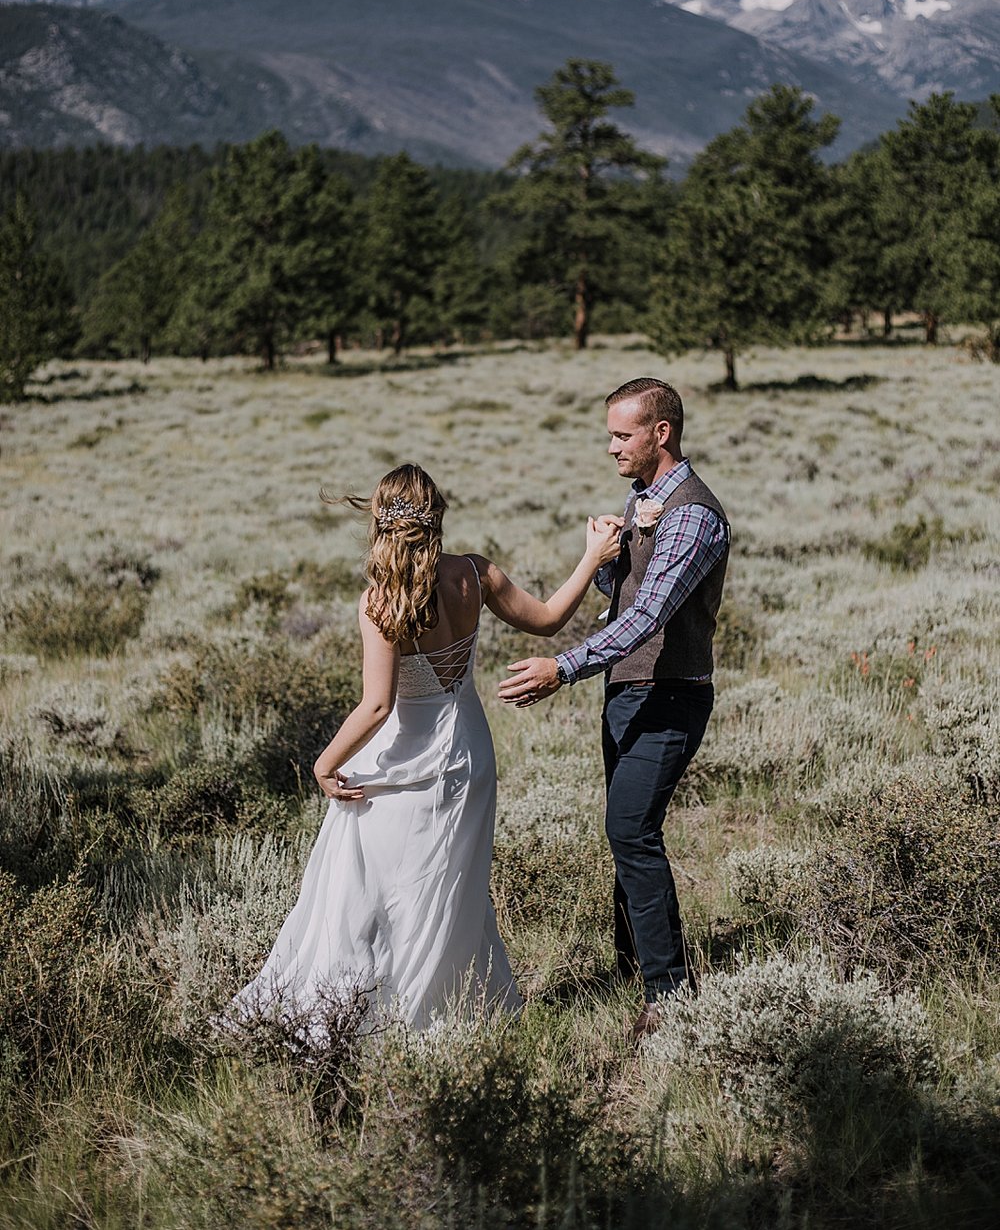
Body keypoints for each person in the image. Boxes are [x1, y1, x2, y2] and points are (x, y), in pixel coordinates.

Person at [228, 462, 621, 1031]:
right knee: (449, 887)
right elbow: (550, 620)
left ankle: (379, 1012)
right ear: (436, 515)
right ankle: (450, 1010)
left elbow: (377, 706)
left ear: (382, 523)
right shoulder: (474, 574)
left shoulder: (379, 603)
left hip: (403, 760)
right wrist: (592, 556)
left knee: (371, 890)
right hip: (470, 754)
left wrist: (323, 762)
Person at [498, 378, 730, 1045]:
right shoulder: (644, 502)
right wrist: (609, 550)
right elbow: (622, 592)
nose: (610, 448)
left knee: (631, 828)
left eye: (622, 435)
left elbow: (651, 615)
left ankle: (669, 995)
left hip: (671, 694)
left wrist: (561, 667)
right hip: (629, 692)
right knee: (623, 828)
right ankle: (634, 965)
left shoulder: (692, 514)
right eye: (609, 434)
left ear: (662, 433)